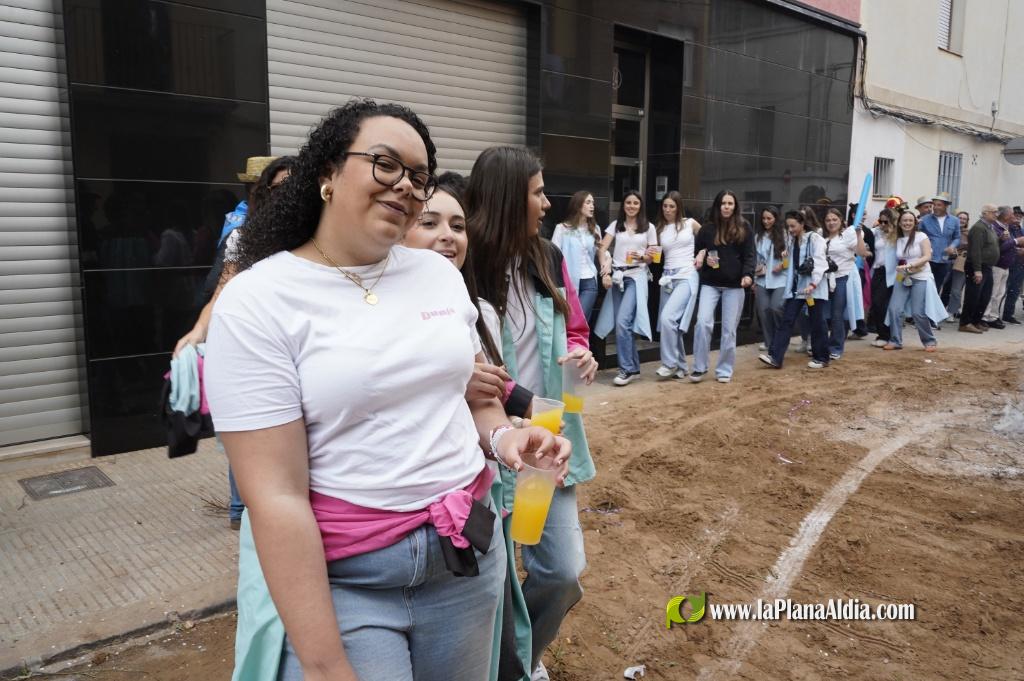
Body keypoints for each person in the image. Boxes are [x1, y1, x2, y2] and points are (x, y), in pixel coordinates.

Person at [206, 100, 571, 681]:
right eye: (385, 164)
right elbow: (274, 497)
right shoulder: (259, 302)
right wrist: (326, 666)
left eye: (419, 177)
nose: (406, 184)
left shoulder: (438, 277)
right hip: (349, 580)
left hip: (467, 560)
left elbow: (474, 395)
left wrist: (506, 438)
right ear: (326, 172)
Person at [466, 145, 598, 681]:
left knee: (562, 572)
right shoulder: (465, 263)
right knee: (491, 583)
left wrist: (581, 353)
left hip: (544, 440)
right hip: (486, 448)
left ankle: (524, 660)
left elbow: (575, 328)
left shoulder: (549, 257)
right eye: (538, 191)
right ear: (506, 197)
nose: (547, 202)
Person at [174, 155, 295, 530]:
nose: (286, 195)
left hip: (298, 349)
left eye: (294, 186)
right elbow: (223, 289)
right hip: (254, 349)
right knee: (247, 433)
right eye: (278, 187)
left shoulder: (320, 238)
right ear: (263, 192)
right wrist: (196, 332)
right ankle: (242, 514)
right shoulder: (245, 236)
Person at [594, 190, 658, 386]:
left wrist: (644, 257)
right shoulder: (616, 225)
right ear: (623, 205)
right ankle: (634, 367)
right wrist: (605, 270)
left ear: (641, 206)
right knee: (623, 324)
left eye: (635, 203)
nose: (631, 206)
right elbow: (602, 248)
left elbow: (654, 256)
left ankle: (626, 370)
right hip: (617, 277)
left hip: (636, 277)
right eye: (628, 202)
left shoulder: (649, 228)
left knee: (622, 322)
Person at [691, 190, 755, 383]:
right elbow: (698, 251)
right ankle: (699, 367)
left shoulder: (744, 227)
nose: (727, 207)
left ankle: (724, 370)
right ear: (717, 205)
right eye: (723, 203)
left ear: (735, 206)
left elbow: (750, 255)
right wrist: (702, 258)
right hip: (710, 283)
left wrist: (747, 275)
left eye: (730, 203)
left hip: (735, 286)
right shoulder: (707, 229)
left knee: (729, 330)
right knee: (702, 324)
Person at [758, 210, 829, 369]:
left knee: (817, 322)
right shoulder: (792, 241)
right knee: (786, 320)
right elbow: (791, 265)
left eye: (793, 226)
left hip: (813, 290)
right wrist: (785, 259)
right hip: (797, 289)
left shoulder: (815, 239)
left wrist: (813, 284)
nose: (790, 229)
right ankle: (775, 357)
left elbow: (820, 263)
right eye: (788, 226)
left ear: (802, 224)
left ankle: (822, 357)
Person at [653, 191, 701, 379]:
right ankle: (681, 367)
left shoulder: (690, 223)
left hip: (687, 276)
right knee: (672, 324)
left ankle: (669, 363)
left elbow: (707, 238)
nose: (668, 209)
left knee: (667, 318)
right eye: (665, 206)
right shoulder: (659, 229)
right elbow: (653, 253)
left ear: (678, 207)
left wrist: (702, 253)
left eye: (672, 206)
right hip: (667, 279)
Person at [884, 210, 939, 351]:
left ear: (915, 223)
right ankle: (895, 340)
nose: (907, 223)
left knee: (917, 312)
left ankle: (929, 341)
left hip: (920, 276)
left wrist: (911, 265)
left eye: (910, 220)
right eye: (904, 220)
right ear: (900, 223)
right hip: (902, 276)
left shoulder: (921, 236)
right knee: (894, 309)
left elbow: (927, 256)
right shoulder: (897, 238)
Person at [822, 207, 866, 360]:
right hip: (825, 280)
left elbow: (861, 253)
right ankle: (824, 344)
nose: (831, 222)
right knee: (824, 314)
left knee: (837, 314)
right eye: (828, 220)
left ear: (841, 221)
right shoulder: (823, 239)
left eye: (834, 219)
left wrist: (859, 234)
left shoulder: (847, 236)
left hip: (843, 278)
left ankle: (836, 347)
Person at [551, 191, 601, 323]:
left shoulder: (595, 229)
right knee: (570, 322)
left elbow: (601, 251)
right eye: (588, 202)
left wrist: (606, 262)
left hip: (590, 281)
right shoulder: (562, 229)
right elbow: (553, 256)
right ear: (578, 205)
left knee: (579, 321)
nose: (592, 206)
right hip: (568, 282)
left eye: (593, 203)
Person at [959, 205, 1001, 333]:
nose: (996, 215)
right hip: (977, 266)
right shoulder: (978, 228)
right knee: (973, 295)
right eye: (994, 212)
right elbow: (975, 250)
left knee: (985, 295)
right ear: (985, 213)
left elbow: (990, 245)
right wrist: (977, 270)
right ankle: (965, 323)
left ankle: (976, 321)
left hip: (987, 266)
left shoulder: (989, 227)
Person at [752, 205, 788, 352]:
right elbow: (754, 258)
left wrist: (783, 265)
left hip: (780, 278)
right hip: (761, 279)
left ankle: (780, 341)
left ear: (776, 219)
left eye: (769, 218)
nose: (766, 221)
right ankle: (769, 344)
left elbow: (790, 257)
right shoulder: (758, 237)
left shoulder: (785, 235)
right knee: (764, 312)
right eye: (764, 218)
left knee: (775, 308)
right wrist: (755, 276)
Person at [982, 206, 1022, 329]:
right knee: (992, 293)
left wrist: (1015, 247)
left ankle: (994, 316)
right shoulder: (995, 227)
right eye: (1012, 214)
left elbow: (1008, 246)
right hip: (997, 265)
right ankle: (985, 317)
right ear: (1005, 216)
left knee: (1000, 293)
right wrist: (1016, 241)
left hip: (1006, 266)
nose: (1014, 217)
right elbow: (998, 247)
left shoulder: (1008, 227)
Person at [919, 192, 960, 308]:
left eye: (939, 205)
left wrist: (952, 246)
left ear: (946, 206)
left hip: (944, 260)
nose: (935, 207)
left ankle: (931, 315)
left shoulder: (954, 220)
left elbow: (957, 237)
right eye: (934, 205)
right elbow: (917, 236)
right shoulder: (924, 220)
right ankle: (919, 314)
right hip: (928, 259)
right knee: (925, 286)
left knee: (936, 287)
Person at [868, 208, 898, 347]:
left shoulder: (898, 235)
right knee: (876, 303)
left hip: (892, 273)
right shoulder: (876, 233)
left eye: (886, 221)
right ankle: (883, 333)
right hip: (877, 271)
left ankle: (886, 335)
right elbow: (864, 233)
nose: (883, 224)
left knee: (883, 304)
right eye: (881, 221)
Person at [945, 210, 971, 319]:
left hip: (960, 262)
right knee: (943, 287)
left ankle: (952, 311)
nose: (962, 220)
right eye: (960, 218)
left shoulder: (969, 233)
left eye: (964, 219)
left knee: (956, 290)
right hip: (946, 261)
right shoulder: (948, 230)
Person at [1003, 208, 1024, 324]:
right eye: (1016, 215)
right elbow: (1006, 244)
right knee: (1001, 291)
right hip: (1008, 263)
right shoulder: (1007, 228)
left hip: (1020, 264)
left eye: (1020, 216)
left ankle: (1008, 314)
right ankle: (991, 315)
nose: (1018, 217)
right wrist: (1017, 250)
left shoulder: (1022, 230)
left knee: (1014, 291)